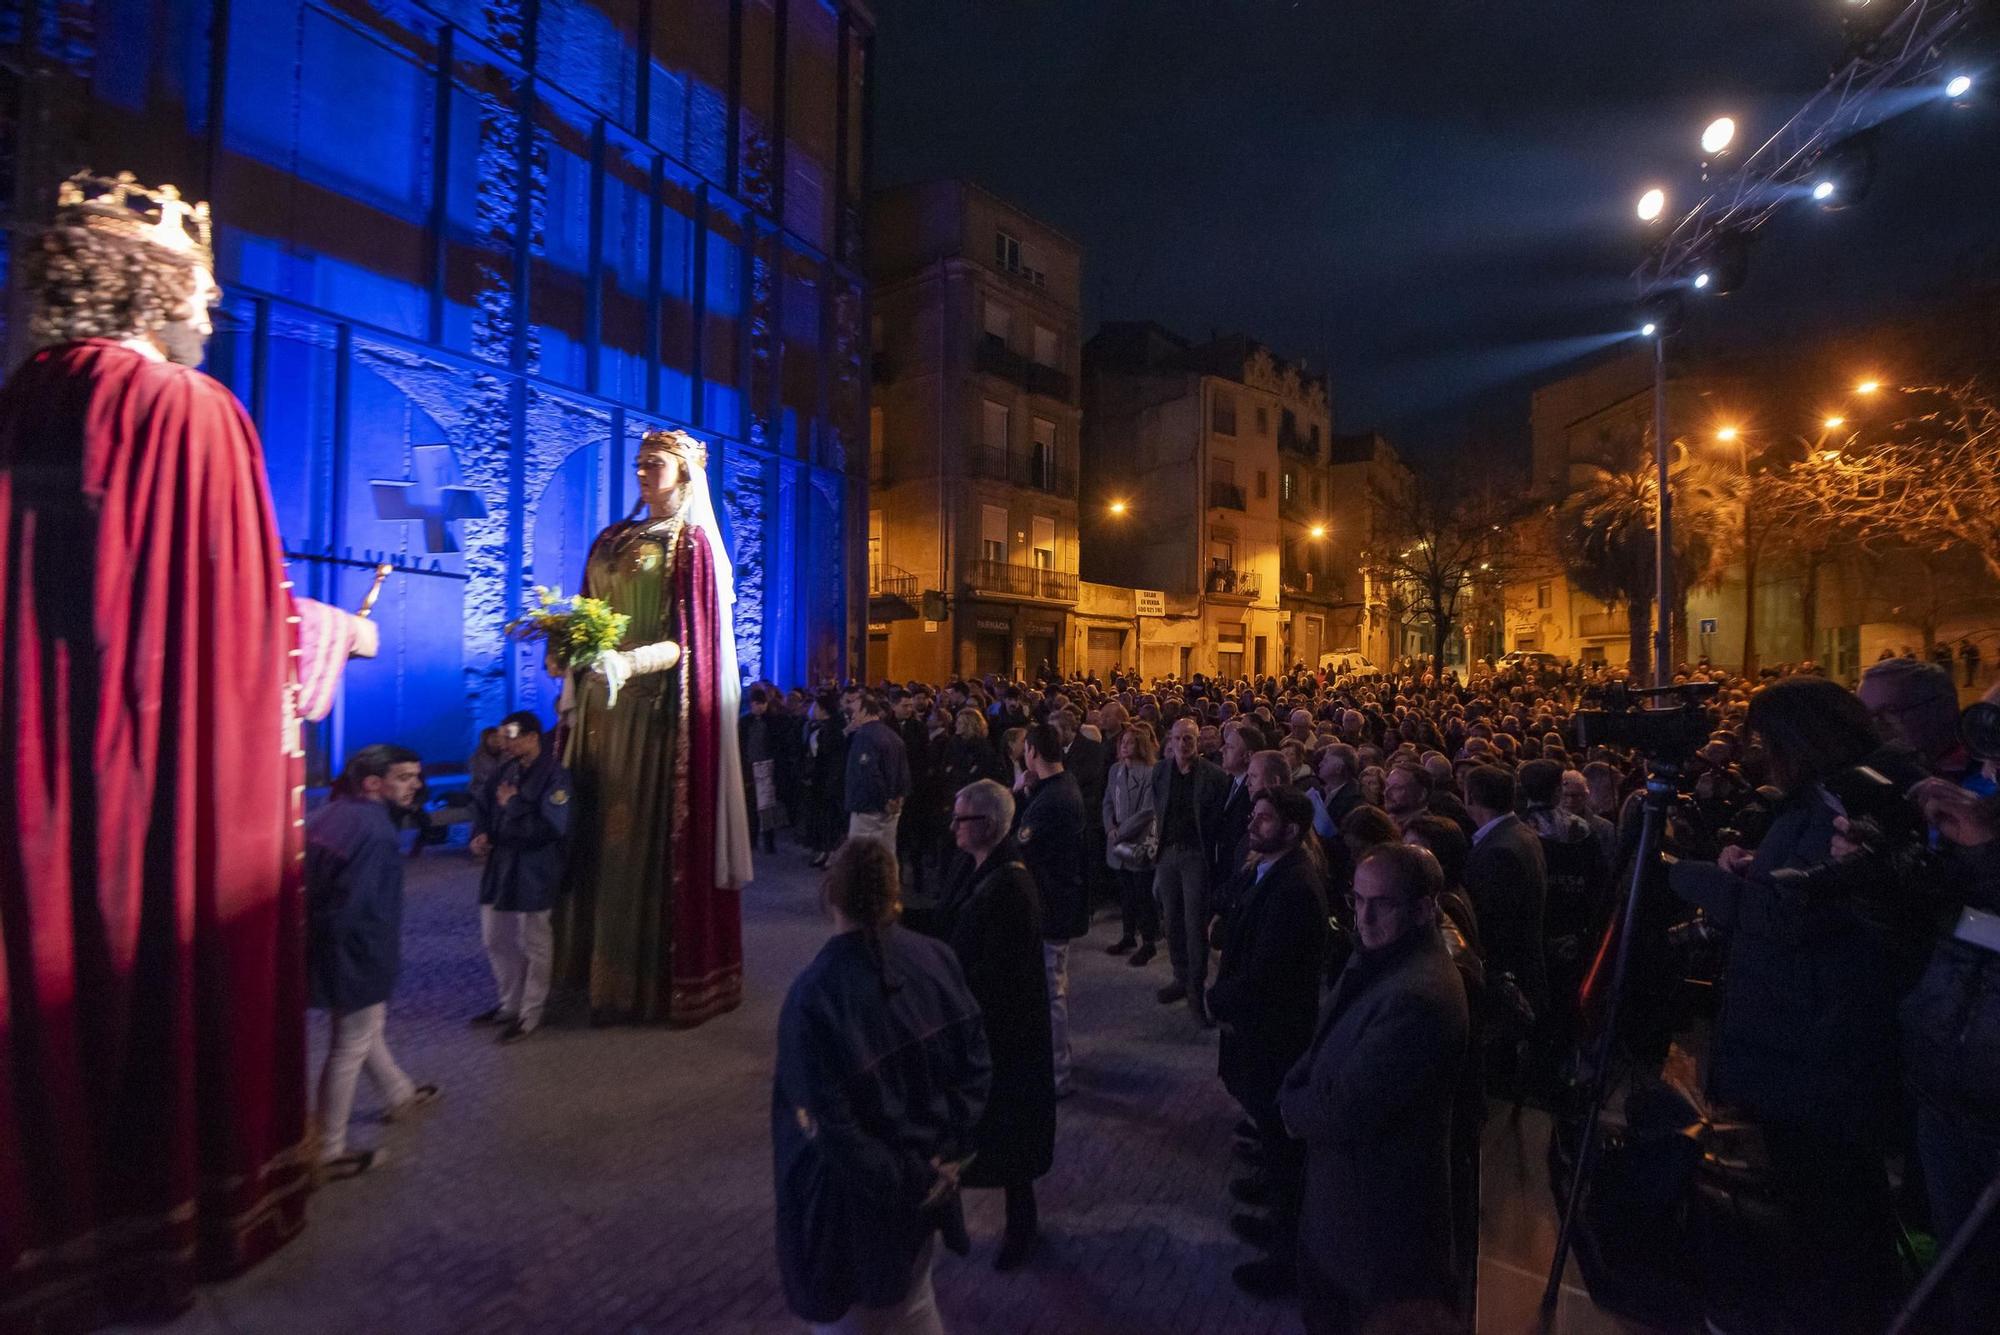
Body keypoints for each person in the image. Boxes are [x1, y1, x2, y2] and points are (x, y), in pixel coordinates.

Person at [0, 171, 382, 1324]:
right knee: (152, 986)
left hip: (36, 769)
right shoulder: (189, 413)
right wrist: (336, 636)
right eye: (204, 291)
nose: (212, 316)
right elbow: (229, 626)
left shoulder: (23, 400)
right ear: (153, 283)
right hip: (153, 779)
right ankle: (176, 1206)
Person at [1666, 678, 1902, 1334]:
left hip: (1810, 1053)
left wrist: (1700, 878)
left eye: (1766, 741)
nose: (1757, 755)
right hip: (1795, 1043)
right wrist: (1751, 869)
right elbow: (1794, 891)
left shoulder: (1840, 803)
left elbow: (1800, 912)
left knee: (1824, 1212)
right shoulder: (1810, 803)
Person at [555, 428, 752, 1027]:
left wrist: (629, 660)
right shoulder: (611, 538)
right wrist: (563, 645)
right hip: (597, 713)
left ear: (686, 474)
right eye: (639, 462)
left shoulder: (691, 548)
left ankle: (639, 982)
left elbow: (695, 649)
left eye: (656, 463)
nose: (642, 471)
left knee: (631, 842)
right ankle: (576, 973)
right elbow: (588, 609)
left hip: (651, 717)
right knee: (588, 835)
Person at [772, 839, 991, 1335]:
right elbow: (977, 1065)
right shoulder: (937, 959)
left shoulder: (814, 999)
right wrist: (944, 1152)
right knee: (914, 1302)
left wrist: (907, 1175)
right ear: (895, 893)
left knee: (869, 1316)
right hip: (926, 1188)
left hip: (856, 1212)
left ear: (833, 896)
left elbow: (830, 1129)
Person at [1279, 843, 1468, 1334]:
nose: (1363, 916)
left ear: (1424, 908)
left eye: (1380, 903)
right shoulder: (1384, 957)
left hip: (1372, 1229)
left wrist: (1290, 1106)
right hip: (1340, 1210)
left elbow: (1348, 1110)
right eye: (1356, 900)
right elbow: (1328, 1040)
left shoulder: (1419, 995)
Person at [1212, 788, 1331, 1299]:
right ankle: (1272, 1200)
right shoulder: (1270, 868)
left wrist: (1219, 999)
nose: (1252, 825)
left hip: (1273, 1033)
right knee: (1269, 1131)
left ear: (1292, 828)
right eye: (1253, 815)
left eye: (1264, 818)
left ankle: (1286, 1258)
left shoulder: (1296, 885)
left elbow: (1268, 973)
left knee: (1285, 1150)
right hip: (1259, 1029)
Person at [932, 779, 1055, 1271]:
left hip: (1005, 1035)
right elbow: (948, 923)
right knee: (971, 1132)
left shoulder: (1012, 887)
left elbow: (1001, 975)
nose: (953, 827)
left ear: (985, 825)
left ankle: (1021, 1226)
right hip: (977, 1028)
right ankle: (954, 1216)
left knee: (1007, 1139)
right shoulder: (974, 867)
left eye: (960, 819)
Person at [306, 745, 441, 1177]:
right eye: (404, 777)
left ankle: (398, 1093)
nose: (415, 786)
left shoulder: (332, 813)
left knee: (366, 1031)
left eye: (415, 777)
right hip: (357, 952)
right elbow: (356, 906)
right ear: (372, 783)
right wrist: (360, 957)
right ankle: (329, 1147)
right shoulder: (375, 831)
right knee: (350, 1044)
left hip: (332, 945)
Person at [470, 711, 573, 1044]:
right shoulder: (506, 770)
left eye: (513, 736)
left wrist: (514, 805)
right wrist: (481, 832)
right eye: (504, 736)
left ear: (532, 736)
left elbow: (552, 826)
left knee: (535, 940)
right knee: (494, 937)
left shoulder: (555, 777)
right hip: (500, 864)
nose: (507, 743)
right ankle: (508, 1003)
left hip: (533, 867)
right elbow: (484, 806)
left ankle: (531, 1012)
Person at [1017, 723, 1088, 1097]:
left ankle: (1058, 1072)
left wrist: (1018, 797)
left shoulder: (1053, 799)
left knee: (1051, 990)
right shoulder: (1059, 788)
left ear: (1031, 752)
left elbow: (1022, 843)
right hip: (1056, 899)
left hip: (1052, 902)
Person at [1460, 765, 1549, 1046]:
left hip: (1506, 975)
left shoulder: (1499, 852)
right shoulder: (1518, 832)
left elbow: (1494, 924)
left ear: (1470, 797)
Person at [1151, 717, 1230, 1025]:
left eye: (1189, 739)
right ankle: (1180, 977)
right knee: (1171, 921)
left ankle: (1196, 993)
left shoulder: (1213, 776)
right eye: (1178, 738)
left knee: (1194, 924)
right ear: (1169, 741)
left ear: (1197, 743)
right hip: (1168, 854)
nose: (1182, 744)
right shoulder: (1161, 771)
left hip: (1196, 855)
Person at [1104, 721, 1162, 962]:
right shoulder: (1115, 770)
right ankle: (1128, 935)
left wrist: (1122, 831)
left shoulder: (1152, 772)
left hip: (1137, 840)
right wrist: (1110, 828)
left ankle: (1148, 941)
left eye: (1130, 742)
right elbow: (1107, 801)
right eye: (1123, 742)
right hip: (1116, 840)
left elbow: (1148, 811)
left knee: (1142, 894)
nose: (1125, 746)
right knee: (1125, 894)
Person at [844, 688, 911, 852]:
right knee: (886, 855)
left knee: (861, 858)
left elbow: (868, 773)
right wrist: (899, 797)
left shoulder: (864, 736)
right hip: (892, 809)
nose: (852, 717)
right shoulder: (893, 736)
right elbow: (904, 771)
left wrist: (884, 801)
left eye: (854, 712)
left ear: (866, 711)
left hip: (868, 807)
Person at [803, 690, 849, 868]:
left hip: (830, 780)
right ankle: (824, 850)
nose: (813, 710)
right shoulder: (819, 726)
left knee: (831, 819)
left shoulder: (833, 729)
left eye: (817, 707)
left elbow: (829, 754)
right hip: (820, 780)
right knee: (822, 818)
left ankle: (832, 852)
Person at [741, 685, 786, 855]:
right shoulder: (744, 722)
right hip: (750, 767)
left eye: (762, 704)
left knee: (767, 807)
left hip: (767, 767)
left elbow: (778, 745)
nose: (759, 707)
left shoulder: (774, 721)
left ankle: (769, 842)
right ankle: (751, 840)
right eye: (756, 704)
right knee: (751, 806)